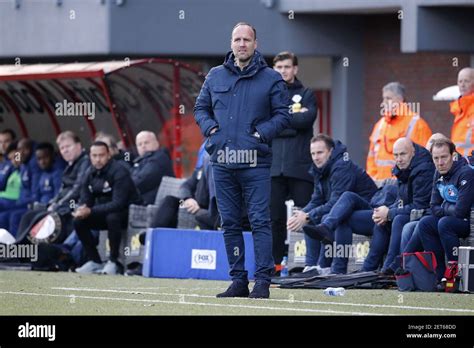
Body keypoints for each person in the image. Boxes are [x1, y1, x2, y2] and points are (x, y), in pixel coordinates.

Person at [194, 22, 290, 298]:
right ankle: (238, 281)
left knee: (260, 221)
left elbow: (283, 115)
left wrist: (260, 134)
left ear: (255, 44)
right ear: (231, 43)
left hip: (255, 163)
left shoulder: (271, 78)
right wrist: (211, 131)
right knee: (231, 223)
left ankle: (262, 282)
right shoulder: (215, 76)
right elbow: (200, 108)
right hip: (222, 162)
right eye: (237, 39)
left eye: (247, 39)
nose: (242, 44)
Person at [287, 134, 378, 274]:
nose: (316, 157)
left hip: (368, 210)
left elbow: (336, 202)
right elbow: (317, 200)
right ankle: (311, 267)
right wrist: (302, 215)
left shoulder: (342, 166)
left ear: (330, 151)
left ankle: (326, 267)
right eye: (313, 153)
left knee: (323, 217)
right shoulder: (319, 169)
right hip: (343, 211)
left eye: (320, 152)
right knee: (310, 218)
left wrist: (308, 215)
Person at [270, 51, 317, 268]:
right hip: (273, 169)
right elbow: (265, 125)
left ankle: (307, 264)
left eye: (287, 67)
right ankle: (275, 265)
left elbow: (306, 120)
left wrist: (280, 121)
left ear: (295, 69)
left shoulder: (307, 93)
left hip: (300, 167)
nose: (283, 71)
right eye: (279, 68)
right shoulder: (268, 95)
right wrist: (290, 120)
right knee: (274, 219)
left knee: (305, 215)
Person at [361, 138, 435, 274]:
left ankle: (390, 267)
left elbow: (419, 206)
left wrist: (390, 213)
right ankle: (368, 269)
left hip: (425, 214)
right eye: (396, 155)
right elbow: (402, 200)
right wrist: (386, 212)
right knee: (382, 221)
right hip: (411, 212)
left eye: (403, 154)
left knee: (398, 219)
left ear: (412, 152)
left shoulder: (424, 169)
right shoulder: (402, 168)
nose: (399, 159)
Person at [74, 141, 141, 275]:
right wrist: (82, 209)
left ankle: (113, 261)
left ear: (108, 155)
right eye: (94, 156)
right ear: (90, 156)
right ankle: (95, 261)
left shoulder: (119, 171)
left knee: (113, 217)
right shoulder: (89, 172)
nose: (98, 159)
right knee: (79, 221)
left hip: (129, 212)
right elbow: (86, 198)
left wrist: (91, 211)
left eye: (101, 155)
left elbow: (118, 203)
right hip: (104, 211)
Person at [15, 131, 90, 244]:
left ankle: (26, 250)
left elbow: (77, 188)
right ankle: (19, 247)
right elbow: (62, 190)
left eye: (68, 146)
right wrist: (51, 203)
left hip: (73, 206)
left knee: (40, 218)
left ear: (78, 145)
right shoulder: (70, 165)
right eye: (62, 148)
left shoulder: (85, 162)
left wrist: (57, 205)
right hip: (63, 205)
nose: (65, 150)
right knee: (29, 215)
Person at [418, 138, 474, 281]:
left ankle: (454, 271)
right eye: (436, 158)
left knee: (444, 223)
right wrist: (447, 208)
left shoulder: (466, 173)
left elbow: (461, 211)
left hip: (469, 222)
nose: (440, 162)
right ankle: (438, 273)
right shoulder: (438, 173)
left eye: (444, 157)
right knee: (425, 223)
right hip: (452, 219)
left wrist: (443, 207)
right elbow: (433, 205)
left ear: (453, 156)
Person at [367, 82, 432, 182]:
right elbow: (371, 156)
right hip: (379, 185)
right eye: (383, 98)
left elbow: (424, 160)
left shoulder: (417, 124)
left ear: (400, 99)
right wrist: (373, 179)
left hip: (403, 184)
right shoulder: (380, 125)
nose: (384, 102)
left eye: (388, 98)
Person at [131, 130, 174, 205]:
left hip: (154, 202)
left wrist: (124, 187)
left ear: (156, 143)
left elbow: (142, 180)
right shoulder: (139, 161)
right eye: (139, 144)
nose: (143, 146)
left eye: (146, 142)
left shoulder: (159, 158)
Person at [450, 67, 474, 157]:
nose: (462, 85)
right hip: (459, 163)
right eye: (460, 81)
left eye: (466, 81)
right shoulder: (459, 109)